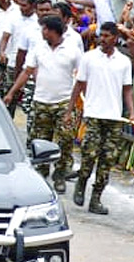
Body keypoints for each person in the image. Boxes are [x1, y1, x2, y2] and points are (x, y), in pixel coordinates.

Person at [6, 16, 82, 193]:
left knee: (65, 141)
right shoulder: (38, 49)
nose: (42, 32)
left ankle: (60, 175)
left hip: (63, 102)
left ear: (53, 31)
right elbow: (27, 71)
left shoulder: (72, 51)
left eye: (45, 29)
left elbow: (81, 78)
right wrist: (12, 92)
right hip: (41, 101)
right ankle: (41, 174)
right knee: (40, 141)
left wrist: (74, 104)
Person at [69, 23, 133, 215]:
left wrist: (131, 111)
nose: (102, 39)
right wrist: (70, 109)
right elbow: (79, 85)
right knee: (89, 153)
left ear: (115, 38)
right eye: (101, 35)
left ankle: (96, 198)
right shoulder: (89, 58)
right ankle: (81, 181)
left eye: (107, 36)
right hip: (94, 113)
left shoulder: (124, 61)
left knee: (107, 159)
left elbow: (127, 88)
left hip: (113, 116)